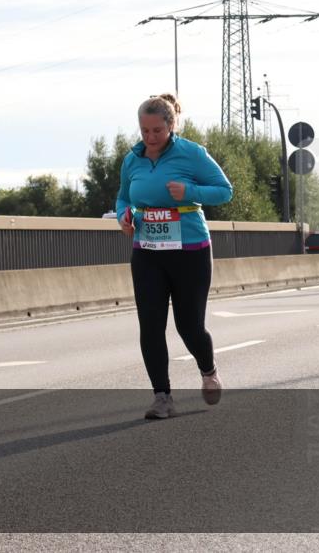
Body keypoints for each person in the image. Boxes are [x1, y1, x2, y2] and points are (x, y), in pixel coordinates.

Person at [115, 94, 233, 420]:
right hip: (148, 252)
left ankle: (208, 371)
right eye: (144, 131)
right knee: (150, 325)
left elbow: (225, 190)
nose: (150, 138)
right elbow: (123, 197)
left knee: (189, 326)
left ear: (171, 125)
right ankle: (162, 397)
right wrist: (124, 216)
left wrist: (190, 192)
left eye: (157, 131)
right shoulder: (132, 160)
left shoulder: (192, 154)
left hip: (190, 251)